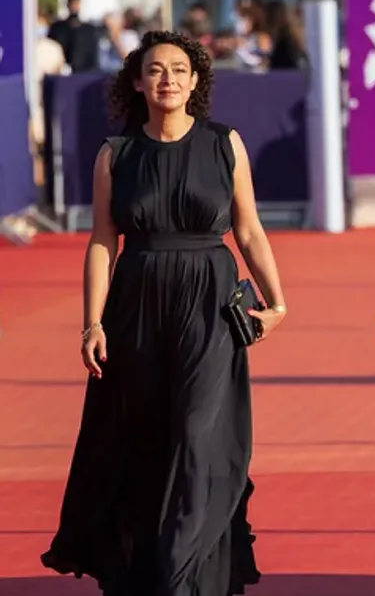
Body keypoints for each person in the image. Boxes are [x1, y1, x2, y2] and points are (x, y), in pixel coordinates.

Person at [42, 30, 288, 595]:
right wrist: (92, 322)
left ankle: (187, 574)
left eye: (179, 69)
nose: (167, 79)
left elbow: (249, 229)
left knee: (200, 434)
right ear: (137, 82)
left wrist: (277, 301)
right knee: (146, 438)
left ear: (196, 80)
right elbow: (102, 241)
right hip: (137, 304)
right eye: (155, 70)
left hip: (209, 303)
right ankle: (148, 570)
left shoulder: (225, 144)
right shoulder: (116, 155)